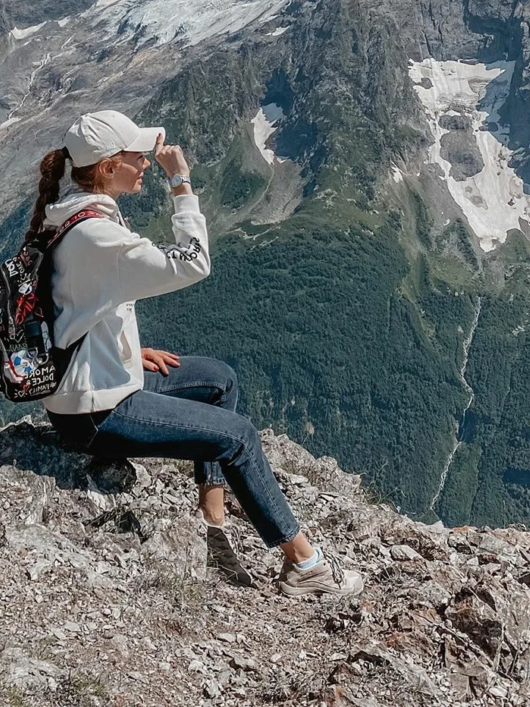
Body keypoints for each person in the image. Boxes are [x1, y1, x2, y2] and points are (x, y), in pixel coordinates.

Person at [28, 108, 363, 598]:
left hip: (96, 381)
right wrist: (181, 184)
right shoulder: (97, 235)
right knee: (239, 436)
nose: (145, 163)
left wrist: (121, 349)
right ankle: (306, 568)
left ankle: (213, 516)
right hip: (97, 411)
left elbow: (73, 301)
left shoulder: (73, 213)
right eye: (136, 156)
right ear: (105, 167)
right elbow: (192, 263)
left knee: (218, 380)